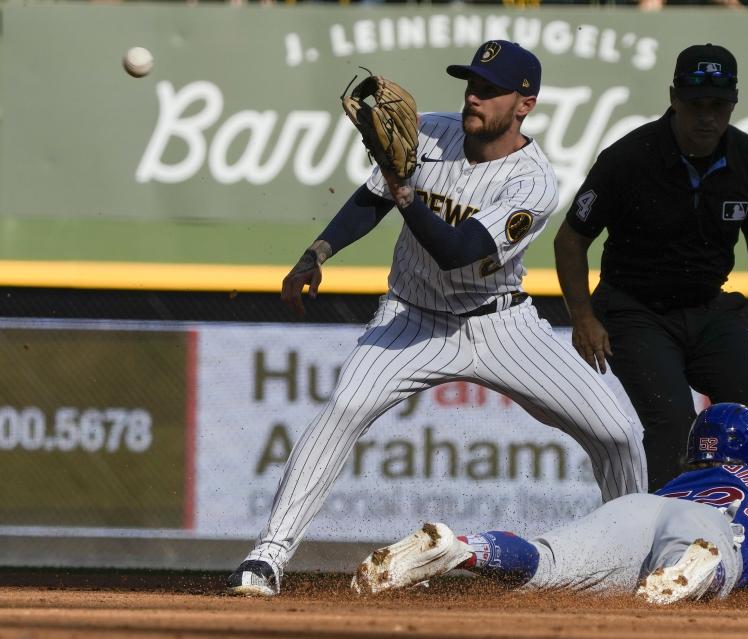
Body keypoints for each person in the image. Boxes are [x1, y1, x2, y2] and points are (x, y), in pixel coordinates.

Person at [226, 40, 647, 597]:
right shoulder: (431, 131)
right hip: (413, 318)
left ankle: (634, 563)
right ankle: (266, 558)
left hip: (502, 328)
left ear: (525, 104)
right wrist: (319, 251)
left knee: (620, 433)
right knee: (343, 410)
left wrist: (405, 194)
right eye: (471, 83)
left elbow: (457, 250)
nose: (474, 96)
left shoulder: (534, 183)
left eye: (490, 89)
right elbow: (371, 197)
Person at [553, 43, 748, 493]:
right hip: (634, 310)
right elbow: (570, 241)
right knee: (673, 423)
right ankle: (665, 542)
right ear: (673, 99)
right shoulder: (628, 158)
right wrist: (583, 318)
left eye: (718, 105)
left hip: (708, 309)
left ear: (733, 104)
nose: (707, 117)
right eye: (696, 104)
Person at [352, 403, 748, 604]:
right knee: (714, 563)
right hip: (709, 527)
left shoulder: (682, 479)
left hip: (638, 506)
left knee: (545, 561)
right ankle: (695, 567)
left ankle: (463, 548)